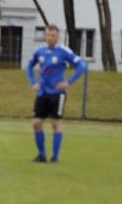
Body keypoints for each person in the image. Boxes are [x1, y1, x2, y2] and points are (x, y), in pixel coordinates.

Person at [27, 24, 87, 163]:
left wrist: (68, 82)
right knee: (36, 123)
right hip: (42, 92)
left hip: (57, 93)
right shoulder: (40, 51)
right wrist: (33, 82)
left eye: (53, 35)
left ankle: (54, 157)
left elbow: (82, 66)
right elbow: (29, 66)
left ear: (58, 36)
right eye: (48, 35)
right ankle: (42, 155)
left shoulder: (63, 51)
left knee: (55, 123)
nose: (50, 38)